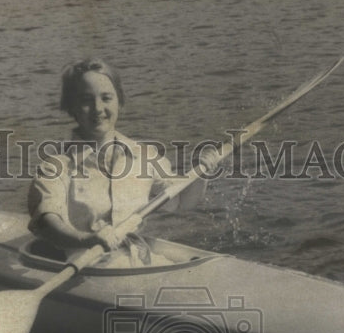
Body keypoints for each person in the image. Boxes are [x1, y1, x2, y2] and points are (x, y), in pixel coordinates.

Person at [27, 58, 219, 266]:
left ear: (120, 102)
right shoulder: (56, 167)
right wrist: (86, 240)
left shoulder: (144, 156)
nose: (98, 108)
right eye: (85, 100)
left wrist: (202, 173)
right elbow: (48, 222)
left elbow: (181, 203)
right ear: (71, 107)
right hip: (88, 267)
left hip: (139, 260)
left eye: (107, 98)